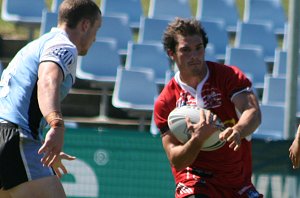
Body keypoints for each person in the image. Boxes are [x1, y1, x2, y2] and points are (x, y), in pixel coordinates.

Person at [0, 0, 102, 197]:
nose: (95, 38)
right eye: (96, 29)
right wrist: (56, 124)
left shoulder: (38, 44)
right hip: (16, 138)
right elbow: (48, 80)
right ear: (85, 25)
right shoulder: (64, 45)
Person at [154, 18, 263, 198]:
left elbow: (253, 112)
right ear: (171, 53)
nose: (194, 55)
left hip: (235, 181)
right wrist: (197, 139)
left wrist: (238, 130)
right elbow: (177, 160)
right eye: (186, 50)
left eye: (199, 48)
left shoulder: (228, 76)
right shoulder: (166, 101)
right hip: (195, 178)